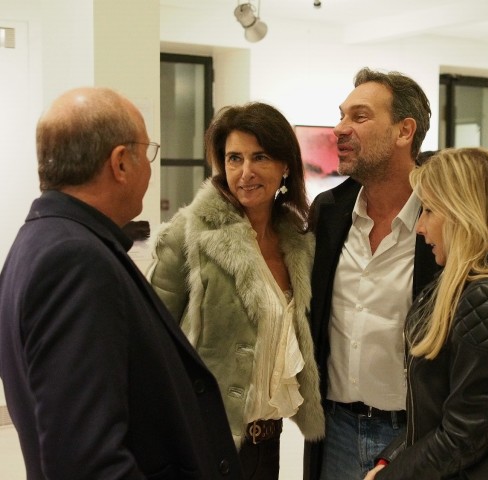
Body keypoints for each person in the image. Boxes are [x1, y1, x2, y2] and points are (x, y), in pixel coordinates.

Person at [0, 87, 241, 479]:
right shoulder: (75, 261)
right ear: (121, 163)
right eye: (147, 152)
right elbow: (86, 462)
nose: (149, 167)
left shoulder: (44, 240)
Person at [147, 102, 324, 479]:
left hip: (268, 443)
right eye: (234, 159)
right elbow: (149, 342)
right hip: (205, 442)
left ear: (285, 165)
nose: (245, 172)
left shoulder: (299, 244)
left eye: (260, 157)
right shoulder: (189, 234)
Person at [365, 147, 488, 480]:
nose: (420, 226)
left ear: (466, 213)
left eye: (429, 210)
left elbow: (463, 436)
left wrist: (392, 475)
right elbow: (435, 416)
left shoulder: (487, 297)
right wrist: (389, 461)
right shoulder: (459, 287)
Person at [304, 67, 441, 480]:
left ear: (404, 131)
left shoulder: (444, 219)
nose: (339, 129)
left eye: (359, 116)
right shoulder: (329, 212)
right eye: (341, 115)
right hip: (335, 431)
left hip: (416, 435)